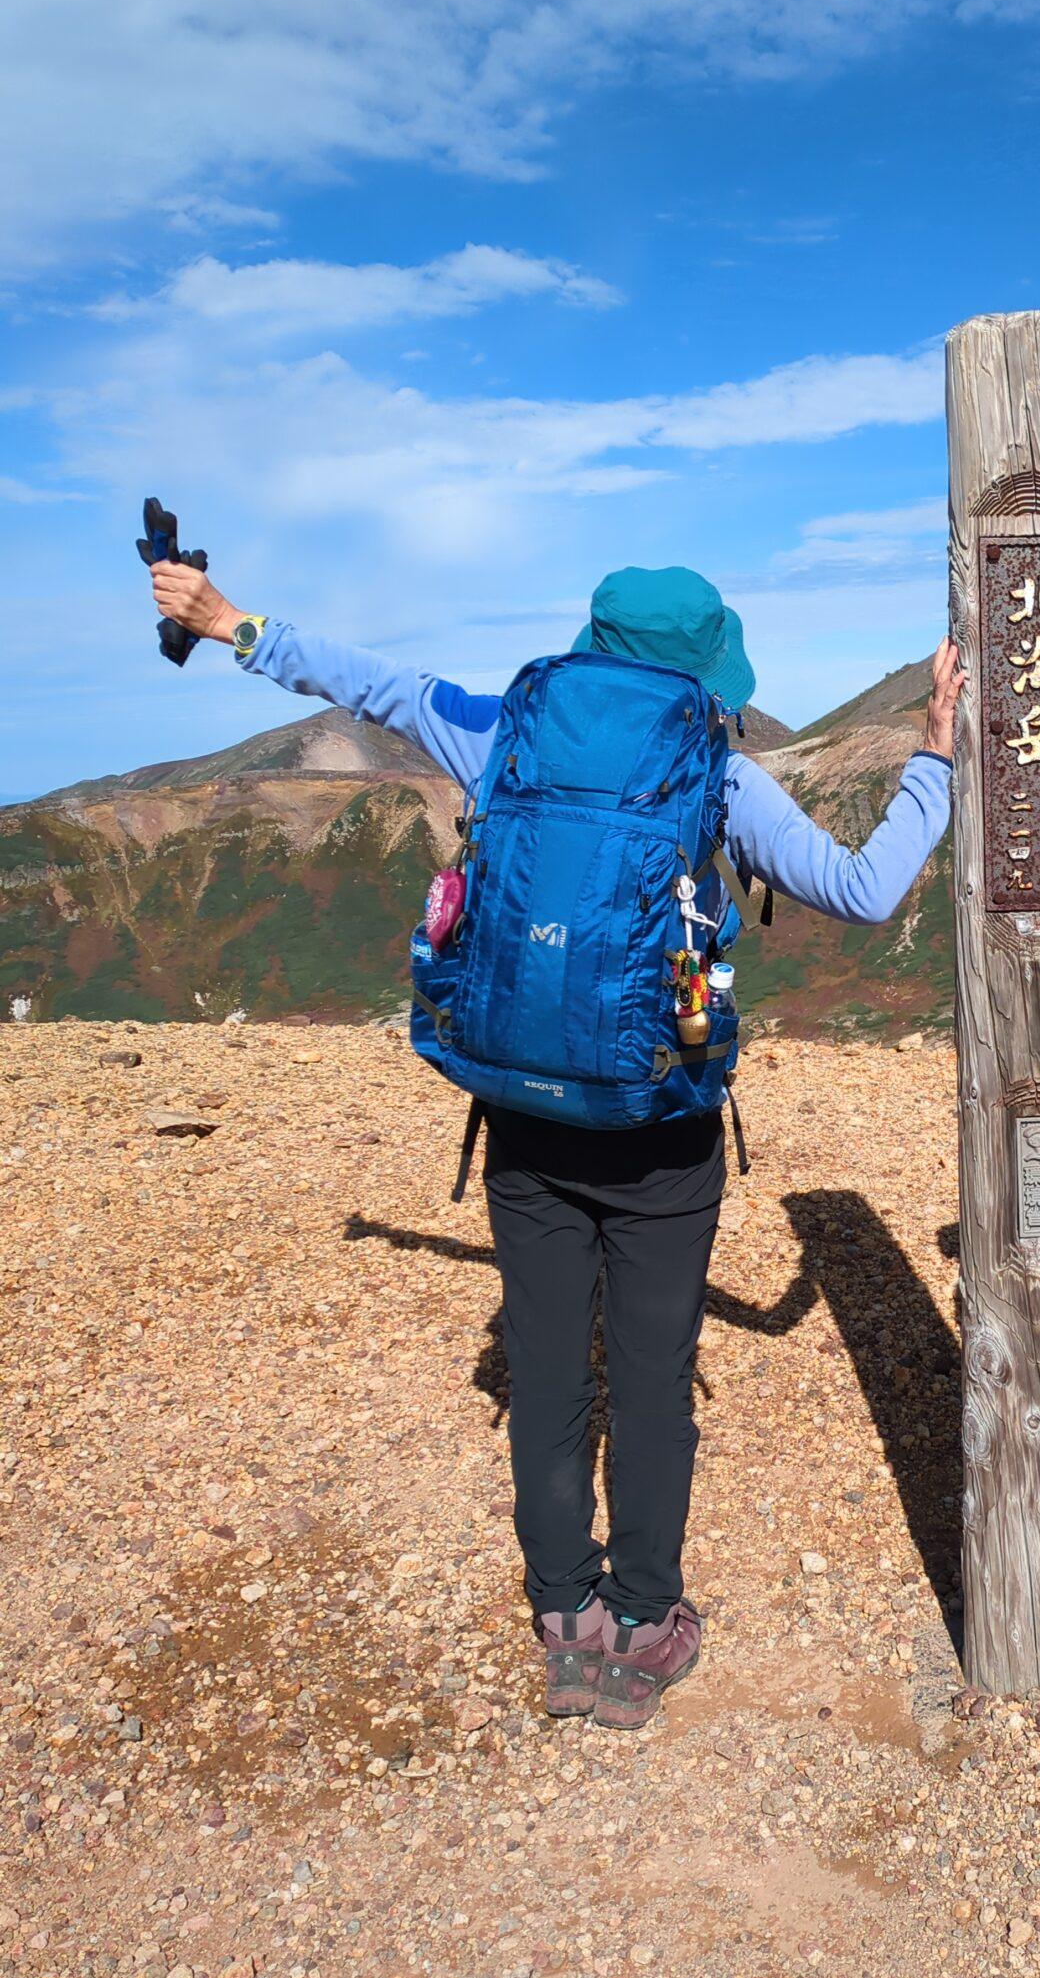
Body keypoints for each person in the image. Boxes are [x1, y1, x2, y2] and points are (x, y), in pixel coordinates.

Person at [150, 556, 964, 1730]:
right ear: (701, 670)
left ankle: (560, 1611)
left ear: (590, 643)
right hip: (658, 1125)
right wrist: (934, 750)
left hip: (523, 1113)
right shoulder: (716, 772)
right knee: (648, 1377)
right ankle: (644, 1619)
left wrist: (234, 623)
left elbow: (375, 685)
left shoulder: (506, 733)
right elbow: (865, 885)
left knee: (545, 1368)